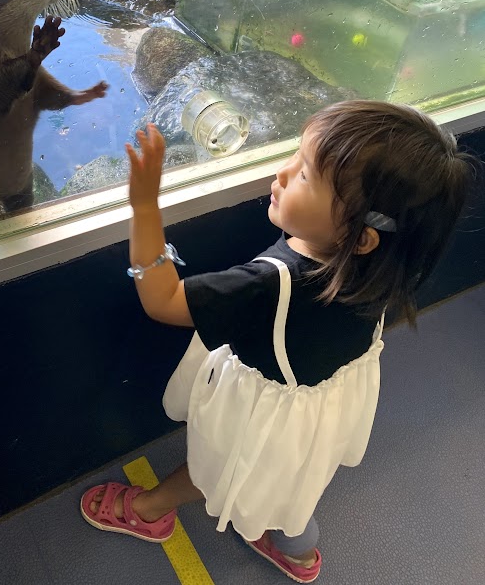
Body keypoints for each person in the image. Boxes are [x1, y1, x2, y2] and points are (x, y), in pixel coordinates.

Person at [80, 100, 473, 583]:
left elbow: (162, 300)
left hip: (266, 416)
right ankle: (298, 552)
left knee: (222, 466)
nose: (281, 174)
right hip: (325, 405)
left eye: (305, 175)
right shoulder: (387, 267)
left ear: (363, 235)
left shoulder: (272, 284)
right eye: (296, 157)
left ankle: (152, 507)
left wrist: (144, 207)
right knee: (294, 482)